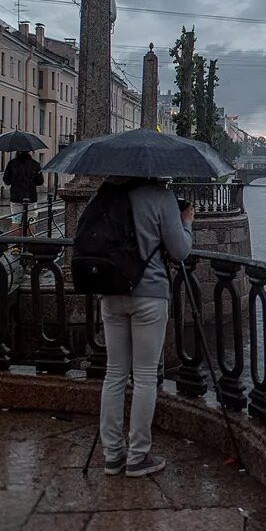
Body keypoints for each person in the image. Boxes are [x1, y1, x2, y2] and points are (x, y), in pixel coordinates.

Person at [99, 177, 194, 477]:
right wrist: (187, 223)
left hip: (111, 292)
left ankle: (112, 454)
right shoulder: (161, 197)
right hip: (148, 295)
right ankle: (138, 456)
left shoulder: (107, 194)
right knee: (143, 376)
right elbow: (179, 251)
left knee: (114, 373)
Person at [2, 151, 44, 235]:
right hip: (31, 197)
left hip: (16, 196)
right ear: (29, 152)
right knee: (31, 220)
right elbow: (40, 181)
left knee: (16, 220)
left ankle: (16, 245)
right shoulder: (35, 164)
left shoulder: (12, 163)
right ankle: (28, 243)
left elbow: (6, 180)